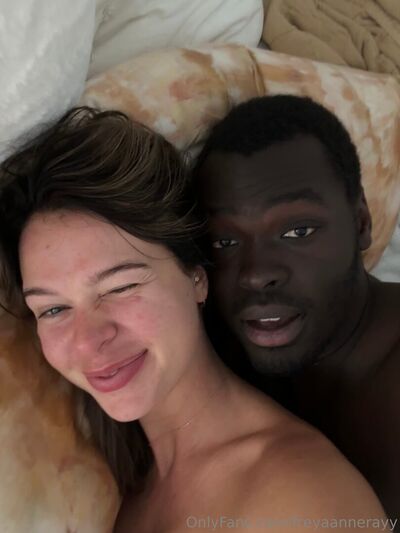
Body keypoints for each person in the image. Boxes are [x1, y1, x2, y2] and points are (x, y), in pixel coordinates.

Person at [0, 107, 387, 533]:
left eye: (119, 287)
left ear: (196, 278)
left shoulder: (302, 500)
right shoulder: (120, 480)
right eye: (53, 309)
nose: (88, 340)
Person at [193, 94, 400, 525]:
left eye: (298, 231)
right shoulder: (209, 348)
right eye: (226, 241)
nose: (255, 274)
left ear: (361, 223)